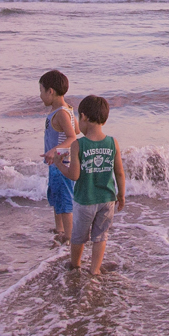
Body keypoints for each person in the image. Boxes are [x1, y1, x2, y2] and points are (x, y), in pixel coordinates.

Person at [56, 95, 126, 275]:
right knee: (100, 236)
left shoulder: (79, 144)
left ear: (84, 117)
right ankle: (95, 270)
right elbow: (119, 172)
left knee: (78, 237)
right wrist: (121, 195)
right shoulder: (113, 142)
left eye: (79, 118)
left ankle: (75, 264)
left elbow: (74, 175)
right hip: (107, 199)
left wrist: (58, 164)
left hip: (85, 200)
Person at [38, 70, 78, 243]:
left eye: (41, 91)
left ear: (51, 91)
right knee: (56, 196)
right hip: (55, 164)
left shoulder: (61, 112)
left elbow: (73, 136)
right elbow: (76, 129)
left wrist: (54, 150)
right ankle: (59, 230)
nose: (40, 96)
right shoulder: (65, 110)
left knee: (65, 200)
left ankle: (69, 237)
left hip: (62, 164)